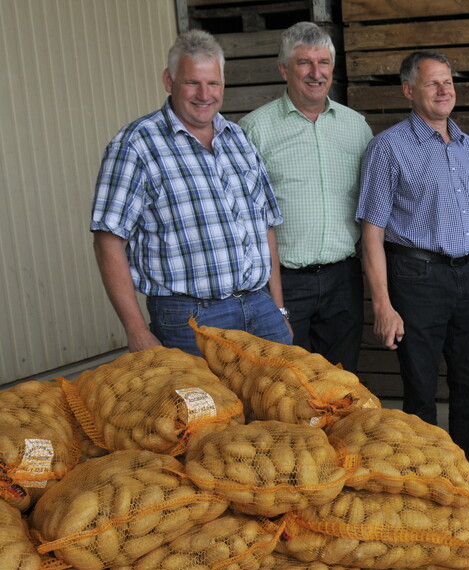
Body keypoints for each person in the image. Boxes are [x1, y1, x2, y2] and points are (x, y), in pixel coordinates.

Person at [355, 51, 469, 511]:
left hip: (465, 277)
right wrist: (383, 305)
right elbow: (371, 233)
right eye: (433, 84)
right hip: (415, 276)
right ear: (409, 91)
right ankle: (427, 490)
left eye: (448, 82)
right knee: (421, 390)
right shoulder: (388, 148)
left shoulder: (467, 146)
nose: (445, 90)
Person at [90, 30, 290, 355]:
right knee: (206, 407)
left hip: (259, 307)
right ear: (169, 81)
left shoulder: (239, 139)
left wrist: (278, 310)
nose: (204, 94)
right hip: (190, 318)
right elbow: (107, 241)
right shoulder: (137, 144)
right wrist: (136, 329)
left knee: (281, 402)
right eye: (191, 82)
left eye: (213, 83)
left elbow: (266, 226)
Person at [239, 22, 372, 373]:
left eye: (323, 62)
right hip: (282, 283)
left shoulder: (355, 126)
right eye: (304, 63)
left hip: (343, 278)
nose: (316, 73)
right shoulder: (255, 129)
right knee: (285, 383)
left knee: (342, 381)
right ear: (284, 69)